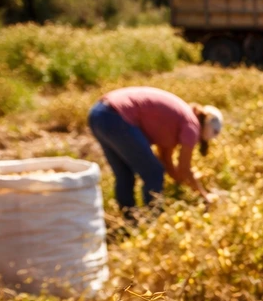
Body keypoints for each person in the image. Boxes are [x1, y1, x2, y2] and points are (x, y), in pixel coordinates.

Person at [87, 87, 222, 217]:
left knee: (125, 173)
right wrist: (204, 195)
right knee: (154, 172)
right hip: (116, 117)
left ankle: (129, 218)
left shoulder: (179, 117)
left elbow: (166, 160)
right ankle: (153, 218)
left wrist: (179, 179)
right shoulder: (191, 125)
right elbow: (184, 169)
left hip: (98, 114)